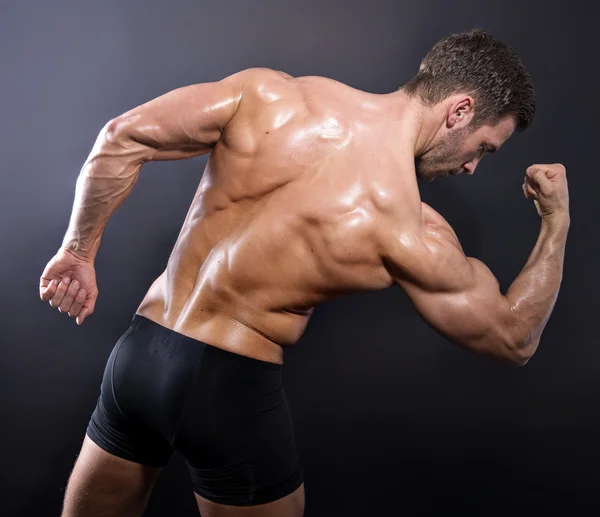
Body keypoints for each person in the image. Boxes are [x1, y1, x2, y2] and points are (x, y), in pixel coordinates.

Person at [39, 28, 569, 517]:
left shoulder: (271, 93)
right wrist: (556, 221)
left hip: (140, 356)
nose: (473, 167)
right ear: (459, 111)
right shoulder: (408, 227)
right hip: (228, 389)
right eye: (484, 148)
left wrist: (78, 253)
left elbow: (121, 138)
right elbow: (512, 337)